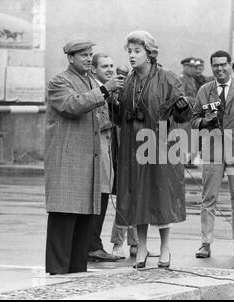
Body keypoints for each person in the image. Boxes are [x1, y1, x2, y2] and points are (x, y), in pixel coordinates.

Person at [44, 39, 123, 275]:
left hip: (89, 159)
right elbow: (71, 106)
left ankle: (77, 268)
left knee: (84, 215)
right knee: (64, 214)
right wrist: (104, 90)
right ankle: (58, 269)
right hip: (68, 159)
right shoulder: (59, 81)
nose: (89, 59)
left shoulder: (90, 80)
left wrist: (115, 102)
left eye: (90, 55)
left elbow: (100, 117)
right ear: (70, 58)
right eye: (83, 55)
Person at [114, 30, 191, 269]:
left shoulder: (168, 78)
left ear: (150, 54)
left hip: (161, 146)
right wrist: (114, 103)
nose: (132, 56)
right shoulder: (127, 81)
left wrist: (181, 107)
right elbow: (119, 118)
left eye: (137, 51)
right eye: (130, 51)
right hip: (132, 147)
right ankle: (143, 248)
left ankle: (166, 247)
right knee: (138, 196)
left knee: (161, 196)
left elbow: (183, 115)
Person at [191, 50, 234, 259]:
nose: (219, 69)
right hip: (213, 149)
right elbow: (194, 120)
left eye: (223, 65)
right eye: (215, 65)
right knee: (208, 198)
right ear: (211, 67)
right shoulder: (205, 90)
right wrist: (205, 121)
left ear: (230, 65)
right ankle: (205, 243)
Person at [85, 53, 121, 262]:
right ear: (94, 70)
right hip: (97, 148)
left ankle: (94, 243)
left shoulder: (111, 89)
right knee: (100, 197)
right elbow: (97, 120)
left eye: (111, 65)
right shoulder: (96, 89)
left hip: (109, 148)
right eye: (105, 66)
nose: (110, 69)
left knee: (105, 195)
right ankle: (93, 245)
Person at [179, 57, 199, 169]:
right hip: (184, 113)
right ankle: (183, 161)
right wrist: (195, 100)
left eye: (194, 67)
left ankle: (189, 161)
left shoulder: (191, 79)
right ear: (185, 67)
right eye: (191, 67)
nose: (193, 70)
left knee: (190, 137)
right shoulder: (182, 79)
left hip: (191, 113)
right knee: (183, 136)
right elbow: (182, 96)